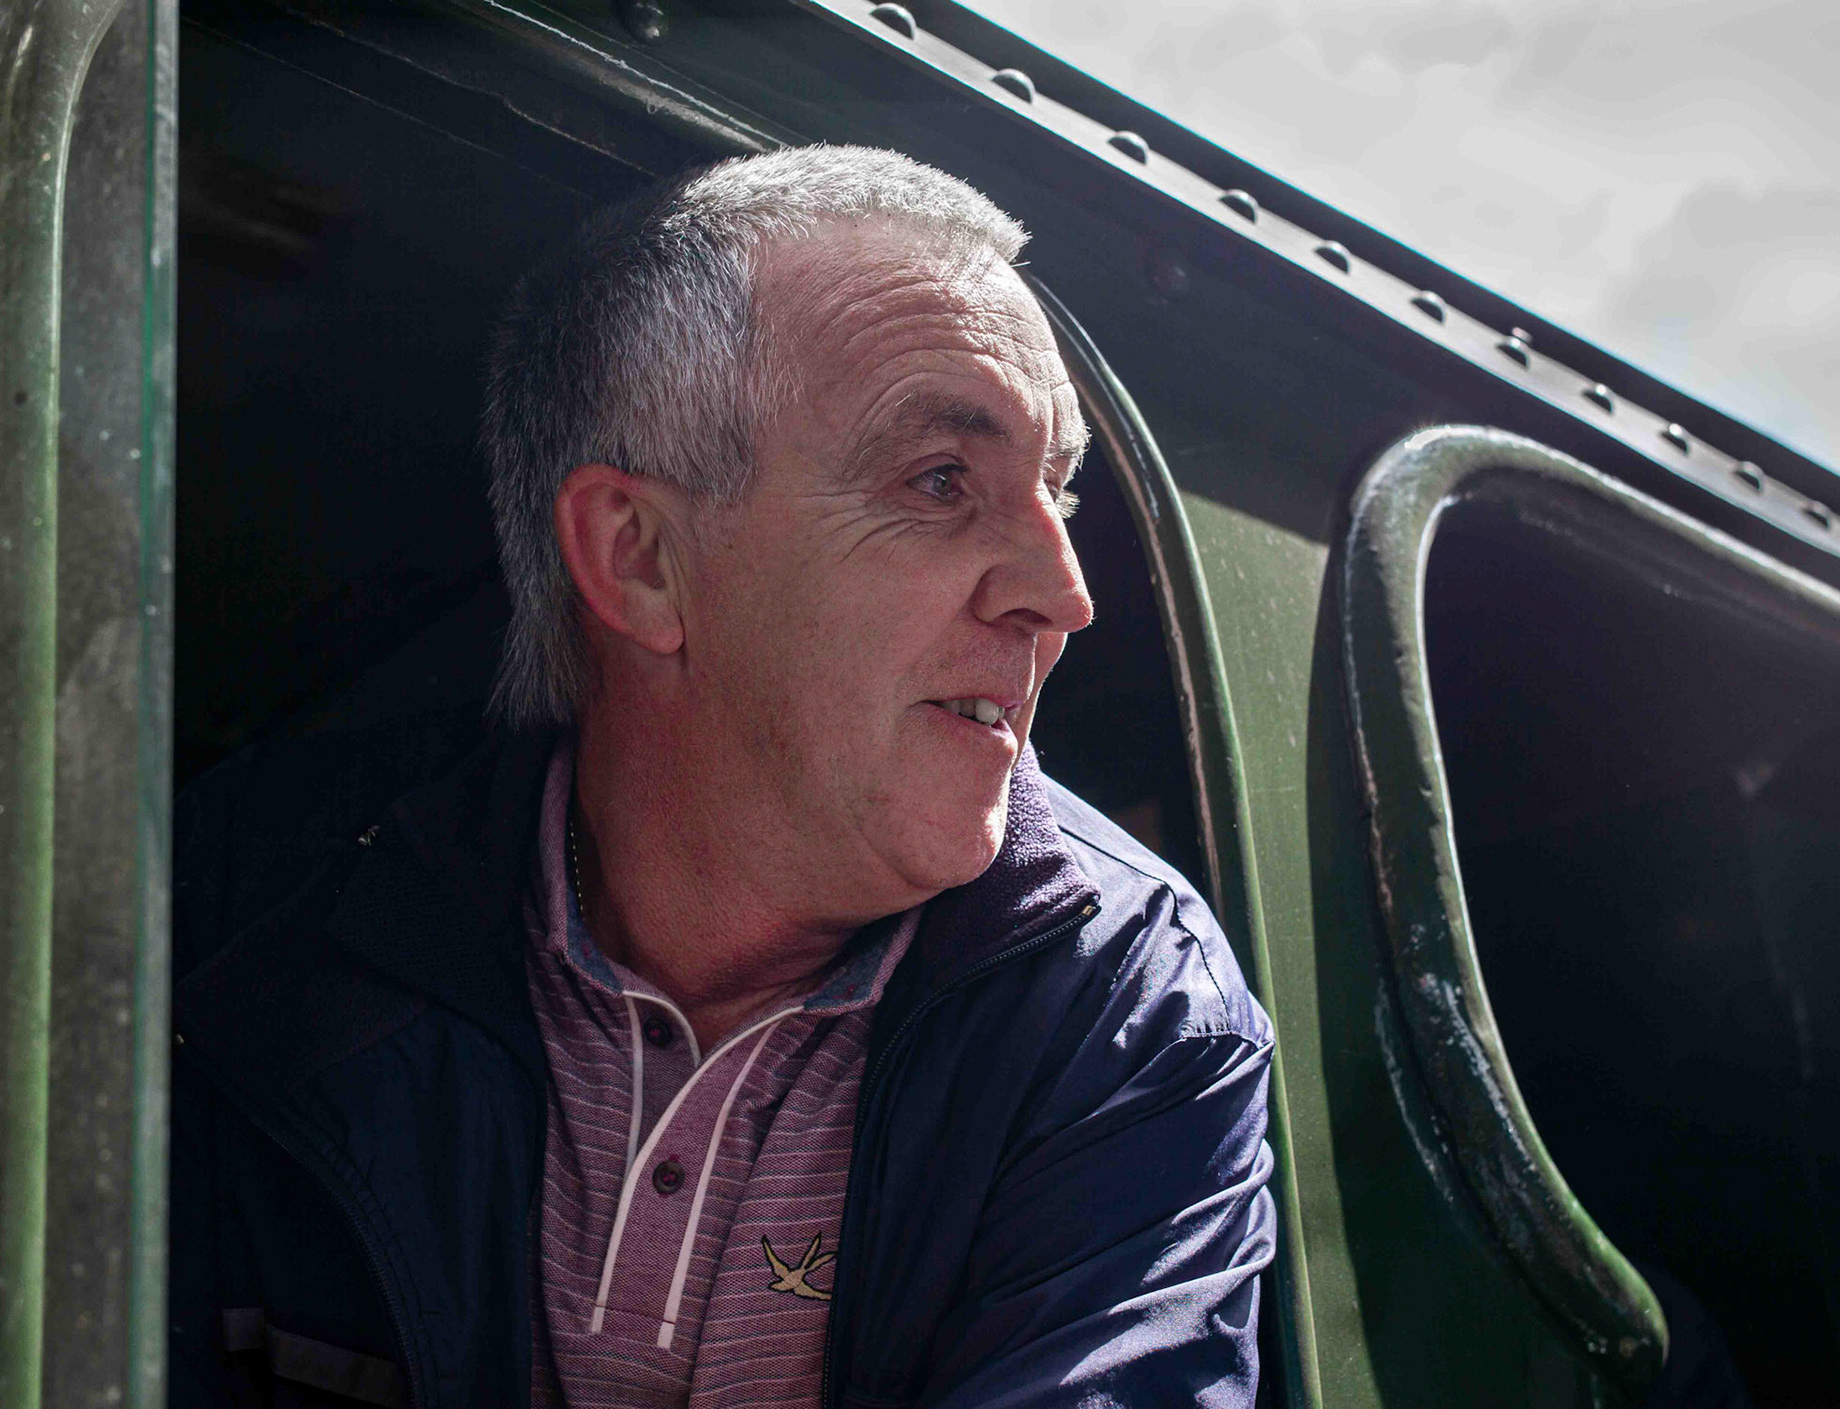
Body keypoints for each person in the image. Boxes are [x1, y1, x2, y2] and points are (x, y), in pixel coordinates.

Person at [169, 145, 1277, 1409]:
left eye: (1057, 493)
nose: (1064, 597)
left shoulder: (1130, 1012)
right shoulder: (238, 901)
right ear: (639, 556)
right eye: (939, 480)